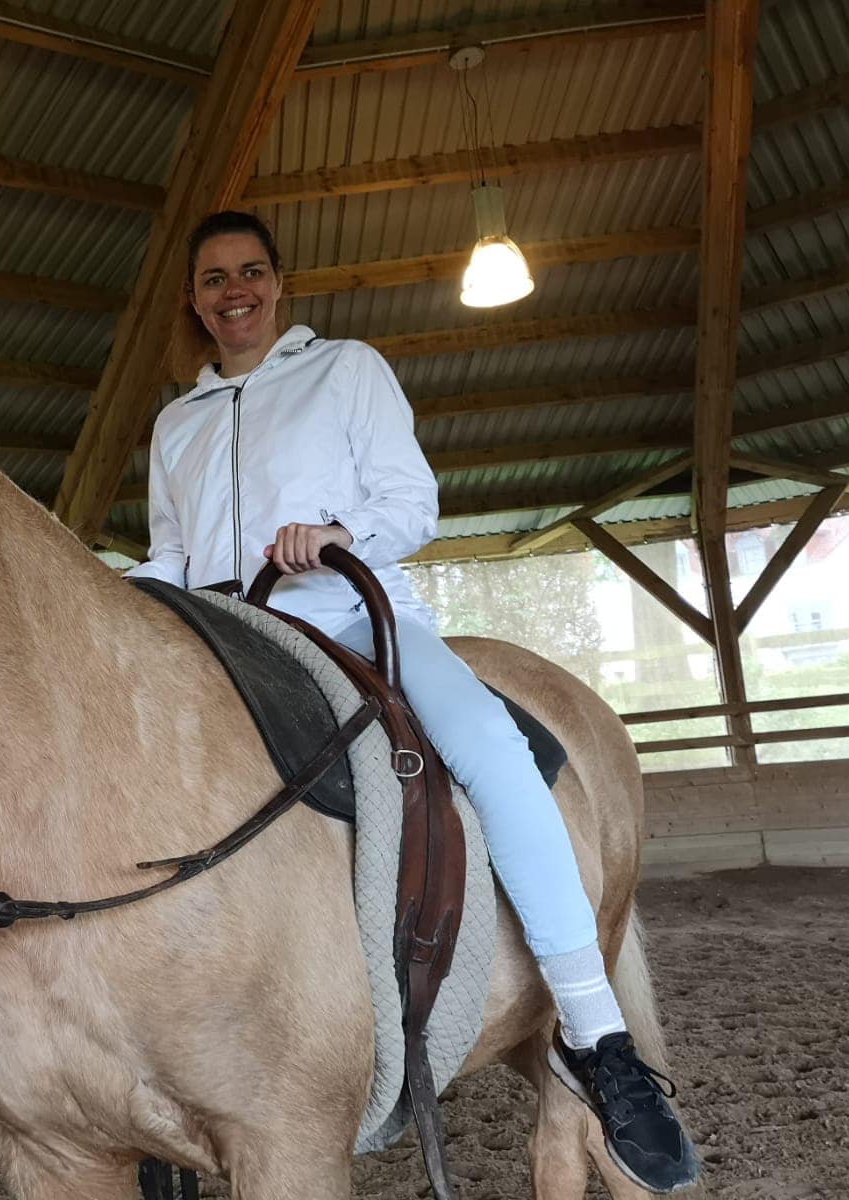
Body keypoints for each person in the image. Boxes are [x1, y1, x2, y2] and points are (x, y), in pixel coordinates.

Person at [128, 210, 698, 1193]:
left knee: (485, 738)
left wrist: (334, 530)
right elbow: (173, 558)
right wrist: (124, 594)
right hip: (229, 639)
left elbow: (409, 503)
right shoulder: (174, 422)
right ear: (194, 298)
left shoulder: (344, 370)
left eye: (251, 272)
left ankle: (600, 1039)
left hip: (350, 614)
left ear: (278, 284)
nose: (234, 291)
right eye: (214, 277)